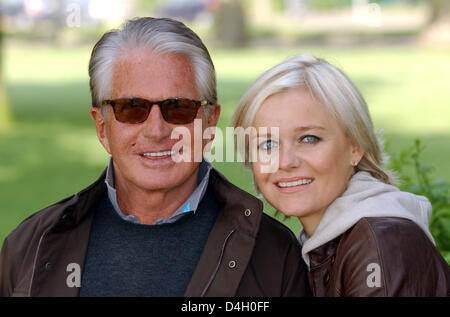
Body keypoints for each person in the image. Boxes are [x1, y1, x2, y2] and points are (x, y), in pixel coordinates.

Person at [0, 18, 310, 297]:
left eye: (179, 108)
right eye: (131, 108)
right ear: (102, 127)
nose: (157, 130)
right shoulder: (31, 245)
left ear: (209, 122)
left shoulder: (276, 255)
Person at [232, 53, 450, 296]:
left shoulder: (379, 243)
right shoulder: (323, 243)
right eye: (267, 144)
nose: (285, 162)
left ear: (355, 146)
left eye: (309, 139)